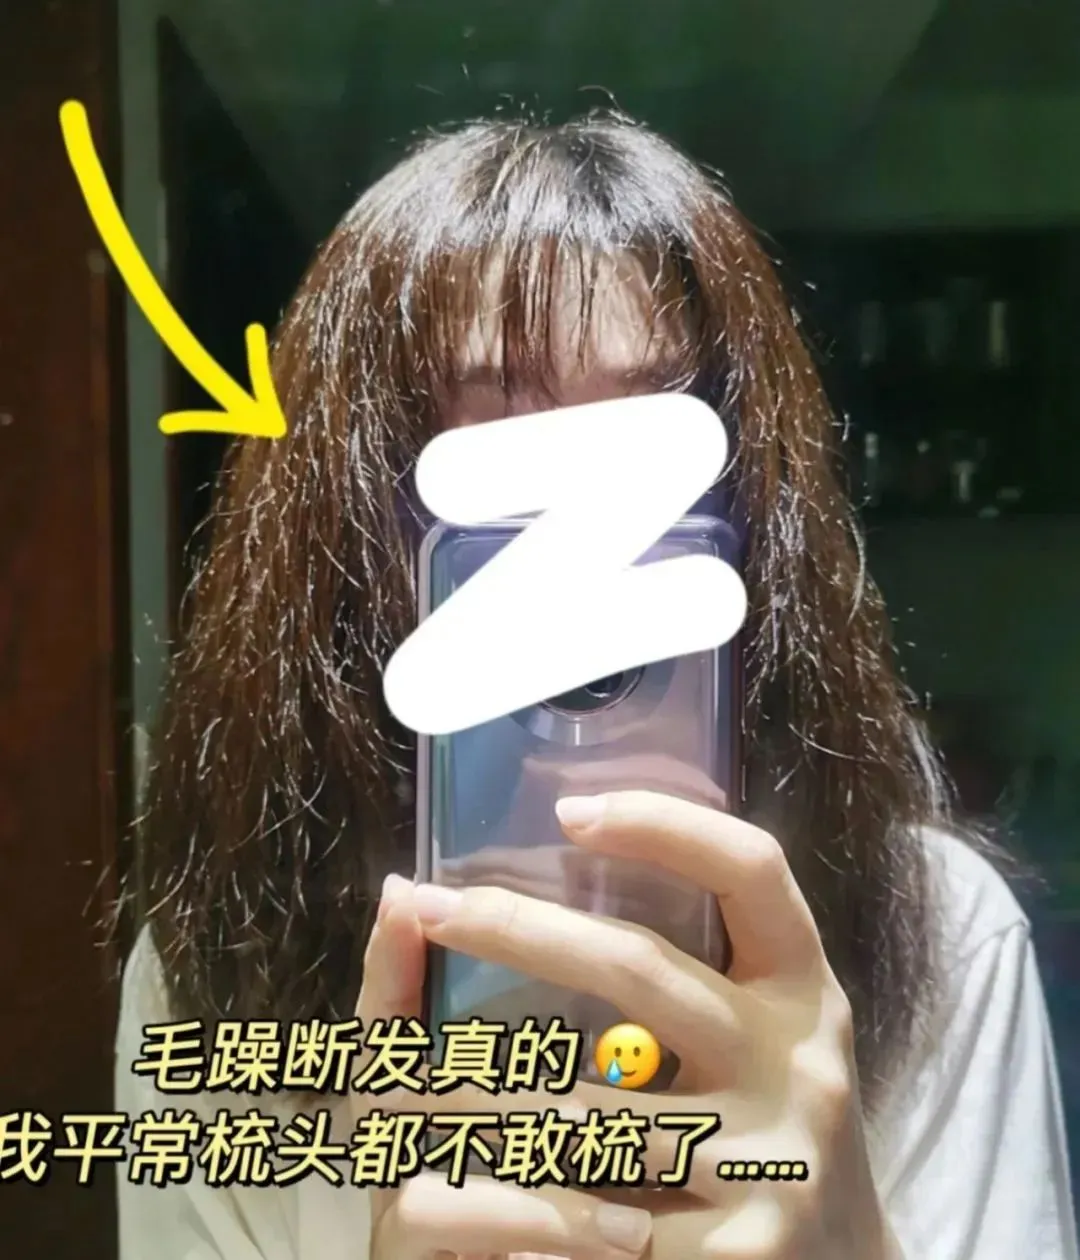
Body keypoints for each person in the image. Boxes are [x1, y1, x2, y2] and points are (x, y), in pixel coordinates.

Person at [117, 113, 1078, 1259]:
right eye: (491, 471)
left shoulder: (939, 929)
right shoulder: (214, 970)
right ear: (349, 541)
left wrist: (850, 1246)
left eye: (648, 458)